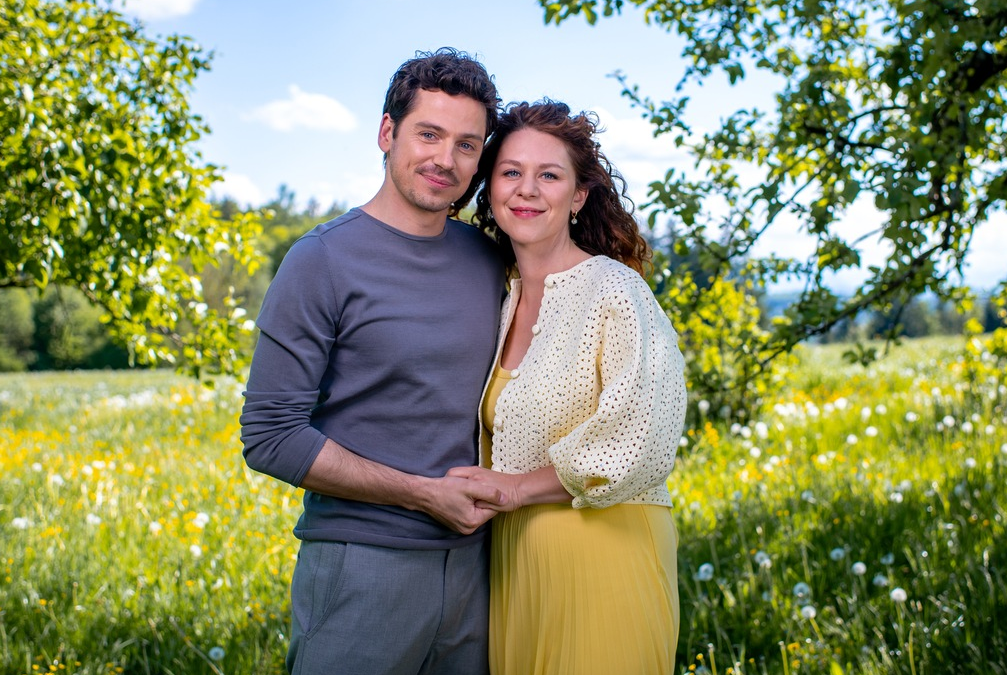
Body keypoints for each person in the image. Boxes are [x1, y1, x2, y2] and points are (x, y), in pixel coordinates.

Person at [240, 48, 506, 675]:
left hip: (481, 567)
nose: (445, 160)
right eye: (428, 134)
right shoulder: (321, 261)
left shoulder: (490, 259)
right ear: (387, 133)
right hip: (362, 565)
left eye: (466, 145)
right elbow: (269, 436)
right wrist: (424, 496)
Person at [447, 100, 688, 675]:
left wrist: (514, 490)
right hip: (515, 564)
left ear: (578, 196)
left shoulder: (614, 291)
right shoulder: (501, 298)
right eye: (511, 171)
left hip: (605, 554)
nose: (527, 189)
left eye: (549, 175)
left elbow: (640, 440)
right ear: (490, 187)